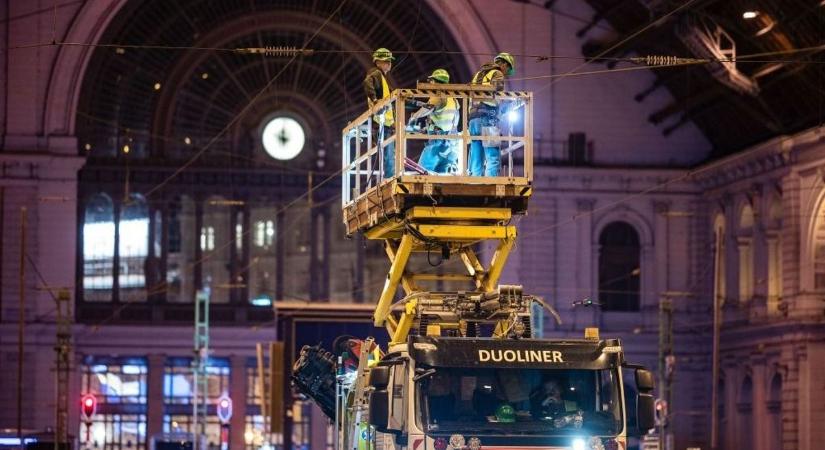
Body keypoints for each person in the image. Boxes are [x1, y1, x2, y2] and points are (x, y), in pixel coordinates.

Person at [468, 52, 515, 177]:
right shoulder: (497, 73)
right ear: (504, 64)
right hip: (487, 117)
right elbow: (497, 91)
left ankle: (475, 181)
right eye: (508, 69)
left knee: (476, 155)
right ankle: (492, 182)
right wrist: (505, 103)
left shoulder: (479, 74)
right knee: (492, 156)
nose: (506, 73)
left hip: (473, 118)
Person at [408, 69, 460, 174]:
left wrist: (412, 118)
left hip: (437, 143)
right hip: (451, 145)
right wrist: (427, 129)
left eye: (431, 81)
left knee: (422, 173)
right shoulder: (454, 100)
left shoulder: (438, 97)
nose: (430, 83)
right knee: (441, 177)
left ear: (436, 82)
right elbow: (451, 122)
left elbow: (425, 110)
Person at [363, 48, 396, 178]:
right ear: (377, 62)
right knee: (388, 156)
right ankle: (390, 180)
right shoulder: (376, 73)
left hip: (385, 124)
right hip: (381, 123)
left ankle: (390, 178)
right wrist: (375, 101)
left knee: (389, 155)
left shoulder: (383, 80)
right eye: (386, 61)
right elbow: (367, 83)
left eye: (390, 61)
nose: (389, 63)